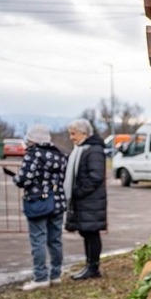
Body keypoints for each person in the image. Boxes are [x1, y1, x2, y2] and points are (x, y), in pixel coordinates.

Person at [9, 124, 67, 290]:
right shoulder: (60, 155)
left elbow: (24, 180)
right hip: (57, 201)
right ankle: (56, 275)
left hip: (38, 202)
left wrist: (15, 179)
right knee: (55, 240)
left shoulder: (33, 155)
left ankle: (40, 277)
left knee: (38, 240)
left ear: (32, 139)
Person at [64, 119, 108, 280]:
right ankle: (89, 265)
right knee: (87, 233)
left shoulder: (93, 151)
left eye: (73, 134)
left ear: (84, 133)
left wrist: (78, 192)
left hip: (91, 201)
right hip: (86, 201)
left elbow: (95, 176)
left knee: (92, 233)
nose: (71, 137)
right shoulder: (82, 150)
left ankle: (93, 267)